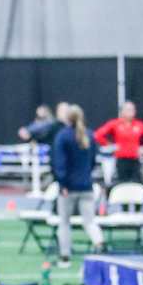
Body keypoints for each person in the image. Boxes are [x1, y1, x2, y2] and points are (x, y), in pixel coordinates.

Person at [52, 105, 103, 268]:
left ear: (67, 118)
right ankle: (99, 243)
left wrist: (62, 183)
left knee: (64, 223)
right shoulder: (89, 135)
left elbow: (59, 162)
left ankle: (65, 256)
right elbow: (94, 160)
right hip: (86, 186)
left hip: (69, 188)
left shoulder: (63, 136)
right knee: (89, 221)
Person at [94, 101, 143, 184]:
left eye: (132, 110)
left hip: (135, 160)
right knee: (121, 183)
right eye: (128, 110)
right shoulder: (115, 124)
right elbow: (98, 135)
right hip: (121, 160)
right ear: (122, 111)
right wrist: (110, 146)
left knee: (138, 183)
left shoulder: (139, 125)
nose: (131, 112)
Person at [19, 101, 70, 169]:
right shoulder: (54, 127)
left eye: (64, 111)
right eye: (61, 111)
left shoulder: (73, 128)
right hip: (57, 161)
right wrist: (30, 136)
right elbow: (42, 135)